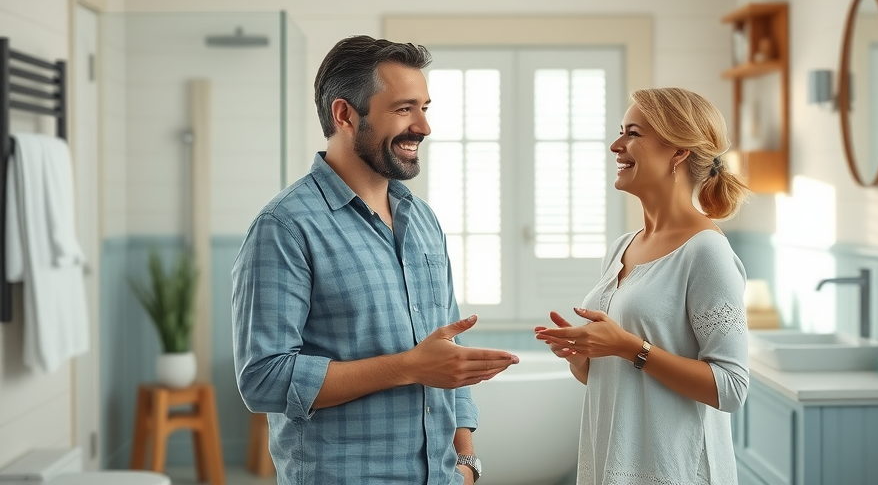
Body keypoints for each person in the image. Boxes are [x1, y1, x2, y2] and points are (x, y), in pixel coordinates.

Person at [231, 35, 518, 485]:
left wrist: (466, 464)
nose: (423, 126)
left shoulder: (422, 219)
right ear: (345, 114)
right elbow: (263, 379)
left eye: (425, 108)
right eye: (404, 109)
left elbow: (447, 352)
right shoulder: (284, 227)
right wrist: (407, 367)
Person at [534, 87, 751, 485]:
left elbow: (732, 388)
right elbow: (622, 375)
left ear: (678, 151)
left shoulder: (706, 252)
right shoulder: (623, 247)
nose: (616, 145)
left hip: (677, 470)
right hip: (612, 463)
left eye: (633, 133)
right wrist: (583, 357)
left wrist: (627, 346)